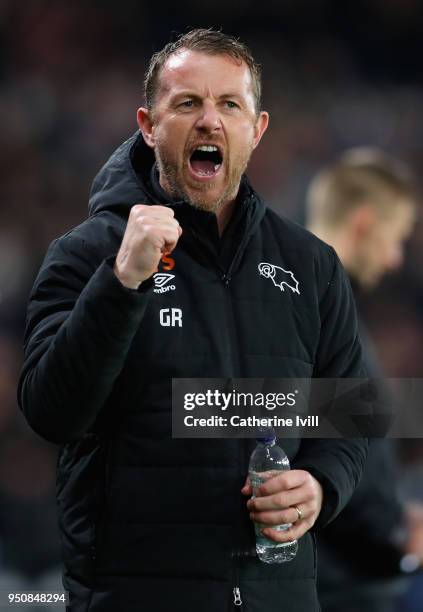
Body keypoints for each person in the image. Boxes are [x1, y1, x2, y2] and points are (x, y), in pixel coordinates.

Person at [18, 29, 368, 612]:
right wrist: (121, 283)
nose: (210, 121)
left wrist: (321, 486)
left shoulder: (311, 264)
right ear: (149, 125)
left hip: (279, 597)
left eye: (229, 104)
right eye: (187, 103)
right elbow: (52, 412)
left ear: (255, 131)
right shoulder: (85, 255)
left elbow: (352, 411)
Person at [306, 148, 421, 612]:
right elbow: (318, 449)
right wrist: (398, 531)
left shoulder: (322, 307)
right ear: (364, 222)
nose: (395, 259)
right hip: (338, 588)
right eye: (396, 239)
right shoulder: (314, 314)